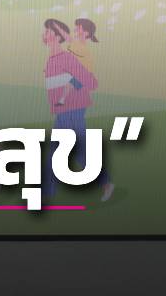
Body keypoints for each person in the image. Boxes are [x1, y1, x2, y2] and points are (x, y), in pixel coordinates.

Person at [41, 18, 113, 201]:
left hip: (72, 110)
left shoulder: (66, 58)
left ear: (57, 37)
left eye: (48, 31)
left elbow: (92, 82)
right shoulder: (51, 60)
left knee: (70, 151)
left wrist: (73, 85)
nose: (44, 34)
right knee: (70, 152)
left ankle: (47, 193)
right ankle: (47, 192)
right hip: (63, 112)